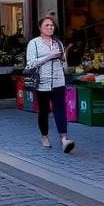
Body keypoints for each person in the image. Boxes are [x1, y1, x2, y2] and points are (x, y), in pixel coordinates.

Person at [27, 16, 75, 153]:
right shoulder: (34, 43)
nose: (50, 28)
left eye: (52, 25)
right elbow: (30, 64)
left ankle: (64, 139)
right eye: (47, 25)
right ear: (40, 28)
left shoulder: (58, 42)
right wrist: (49, 56)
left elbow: (63, 62)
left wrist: (63, 62)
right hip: (42, 82)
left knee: (60, 110)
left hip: (58, 81)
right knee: (44, 111)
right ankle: (44, 136)